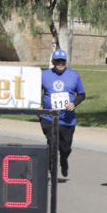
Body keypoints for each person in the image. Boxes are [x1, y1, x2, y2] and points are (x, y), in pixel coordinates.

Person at [40, 49, 85, 178]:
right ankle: (51, 170)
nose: (60, 63)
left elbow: (82, 94)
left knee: (65, 148)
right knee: (52, 144)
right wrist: (38, 107)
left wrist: (74, 103)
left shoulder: (74, 75)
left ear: (66, 61)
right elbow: (35, 91)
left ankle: (63, 160)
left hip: (67, 119)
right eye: (58, 61)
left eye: (63, 61)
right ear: (53, 61)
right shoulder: (44, 75)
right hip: (49, 118)